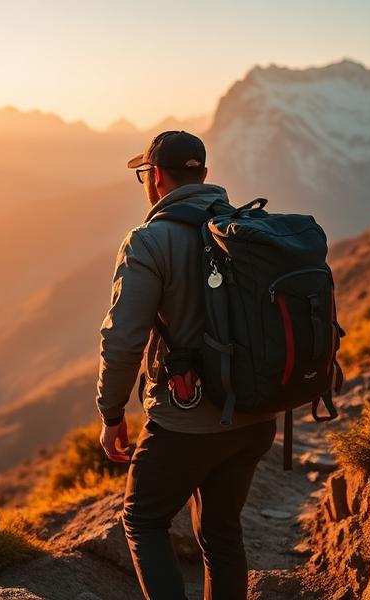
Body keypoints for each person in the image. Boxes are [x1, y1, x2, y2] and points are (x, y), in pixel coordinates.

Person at [94, 131, 278, 600]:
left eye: (145, 174)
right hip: (256, 412)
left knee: (142, 520)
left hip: (187, 419)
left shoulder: (149, 241)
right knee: (221, 532)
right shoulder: (248, 229)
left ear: (154, 178)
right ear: (205, 176)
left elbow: (122, 340)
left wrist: (111, 413)